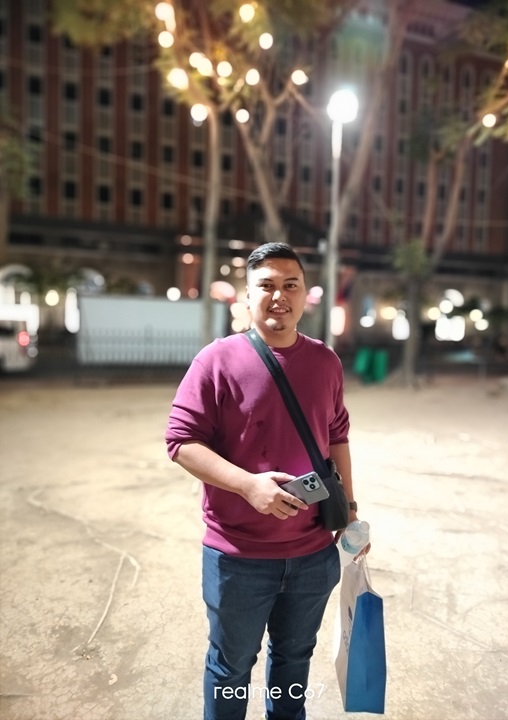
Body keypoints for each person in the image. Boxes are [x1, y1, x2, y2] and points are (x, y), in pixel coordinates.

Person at [165, 242, 360, 720]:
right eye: (266, 286)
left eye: (290, 285)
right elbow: (181, 442)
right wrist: (248, 486)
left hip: (313, 553)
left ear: (305, 294)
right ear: (247, 296)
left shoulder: (325, 362)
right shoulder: (216, 361)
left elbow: (337, 436)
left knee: (294, 661)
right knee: (231, 668)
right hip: (238, 556)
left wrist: (350, 510)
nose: (279, 296)